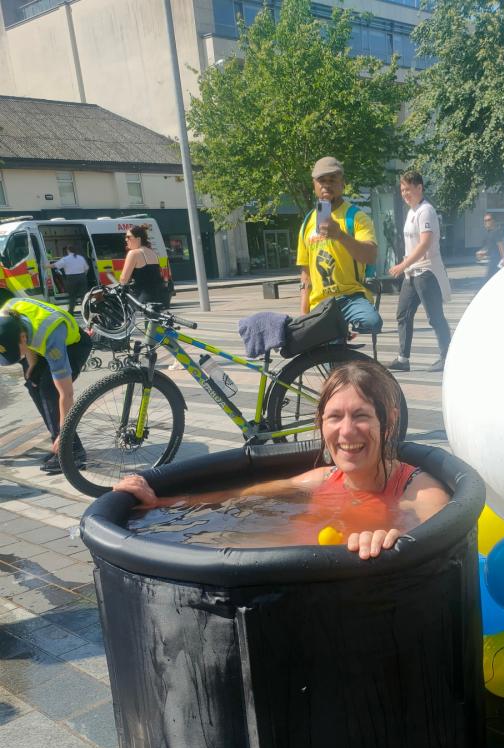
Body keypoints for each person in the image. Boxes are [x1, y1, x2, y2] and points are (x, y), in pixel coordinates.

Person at [114, 361, 450, 559]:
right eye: (334, 417)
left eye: (360, 415)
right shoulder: (320, 479)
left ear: (388, 421)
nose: (347, 431)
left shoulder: (417, 491)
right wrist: (159, 502)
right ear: (320, 423)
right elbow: (235, 496)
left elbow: (445, 545)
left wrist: (395, 546)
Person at [0, 296, 91, 474]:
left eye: (16, 353)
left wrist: (64, 434)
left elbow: (66, 394)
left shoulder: (51, 340)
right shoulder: (5, 316)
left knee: (50, 391)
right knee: (34, 384)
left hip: (73, 346)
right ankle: (58, 441)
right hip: (36, 339)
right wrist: (32, 364)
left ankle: (70, 450)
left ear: (23, 338)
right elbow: (25, 337)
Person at [296, 156, 381, 335]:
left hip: (350, 297)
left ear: (342, 184)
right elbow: (306, 274)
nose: (326, 185)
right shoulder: (307, 223)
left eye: (332, 180)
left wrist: (341, 235)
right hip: (319, 304)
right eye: (321, 180)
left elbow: (371, 255)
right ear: (314, 185)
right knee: (328, 358)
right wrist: (304, 314)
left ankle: (342, 330)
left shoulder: (356, 217)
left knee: (372, 322)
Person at [388, 171, 452, 374]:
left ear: (419, 188)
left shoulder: (426, 211)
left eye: (408, 189)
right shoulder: (412, 211)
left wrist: (402, 265)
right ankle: (403, 358)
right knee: (403, 314)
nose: (405, 193)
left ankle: (447, 356)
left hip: (427, 273)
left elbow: (425, 244)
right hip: (412, 273)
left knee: (435, 317)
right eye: (402, 190)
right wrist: (406, 266)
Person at [119, 225, 168, 305]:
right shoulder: (152, 252)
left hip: (143, 300)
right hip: (159, 297)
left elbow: (123, 279)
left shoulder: (133, 253)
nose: (126, 239)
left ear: (138, 239)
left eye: (128, 237)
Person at [52, 245, 90, 314]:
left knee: (72, 296)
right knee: (83, 296)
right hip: (82, 277)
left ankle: (71, 312)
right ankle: (86, 311)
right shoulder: (80, 258)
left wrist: (45, 265)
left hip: (72, 279)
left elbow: (55, 265)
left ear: (68, 250)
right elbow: (86, 268)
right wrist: (83, 275)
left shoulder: (66, 259)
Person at [477, 213, 504, 282]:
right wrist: (482, 253)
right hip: (492, 260)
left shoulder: (496, 231)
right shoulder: (488, 233)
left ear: (493, 221)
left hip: (497, 260)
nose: (486, 222)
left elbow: (500, 245)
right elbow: (490, 248)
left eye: (488, 220)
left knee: (488, 280)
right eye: (485, 220)